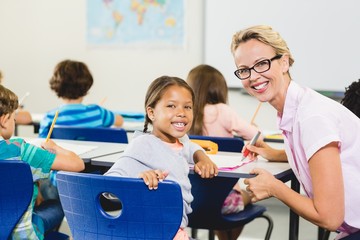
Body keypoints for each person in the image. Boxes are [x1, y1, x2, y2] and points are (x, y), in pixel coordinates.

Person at [231, 25, 360, 239]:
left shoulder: (311, 117)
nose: (253, 76)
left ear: (284, 62)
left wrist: (275, 188)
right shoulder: (295, 109)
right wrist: (278, 154)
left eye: (262, 64)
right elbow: (330, 159)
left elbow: (329, 218)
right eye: (244, 69)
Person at [105, 75, 218, 240]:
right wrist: (137, 181)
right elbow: (107, 187)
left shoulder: (183, 141)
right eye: (171, 106)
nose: (181, 113)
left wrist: (202, 157)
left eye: (188, 107)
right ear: (151, 113)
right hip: (152, 233)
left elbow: (191, 146)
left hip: (175, 231)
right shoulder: (143, 145)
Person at [0, 84, 85, 240]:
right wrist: (56, 147)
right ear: (5, 120)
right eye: (14, 118)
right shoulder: (21, 150)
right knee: (57, 205)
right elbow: (77, 164)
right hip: (22, 237)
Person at [186, 64, 256, 240]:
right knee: (251, 194)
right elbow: (256, 137)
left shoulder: (185, 114)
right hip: (223, 202)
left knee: (216, 205)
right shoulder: (223, 111)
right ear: (219, 88)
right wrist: (253, 130)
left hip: (188, 201)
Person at [38, 59, 124, 138]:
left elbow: (42, 144)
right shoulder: (98, 112)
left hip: (62, 155)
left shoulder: (50, 117)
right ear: (87, 85)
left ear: (56, 85)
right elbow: (120, 121)